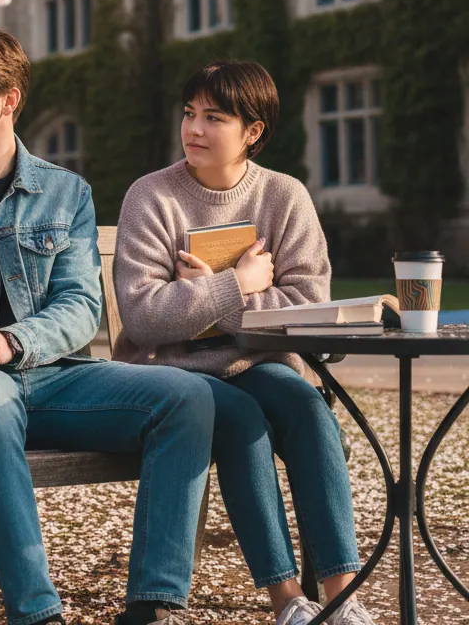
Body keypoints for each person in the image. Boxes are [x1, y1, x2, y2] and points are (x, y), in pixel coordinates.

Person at [0, 23, 215, 625]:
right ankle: (37, 613)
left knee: (187, 396)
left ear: (8, 100)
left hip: (51, 375)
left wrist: (9, 341)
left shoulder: (66, 193)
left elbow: (81, 305)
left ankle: (153, 605)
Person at [113, 59, 375, 625]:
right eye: (189, 114)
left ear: (252, 132)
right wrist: (244, 283)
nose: (194, 129)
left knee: (308, 409)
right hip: (172, 378)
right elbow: (145, 317)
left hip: (261, 365)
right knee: (240, 420)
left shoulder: (284, 197)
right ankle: (287, 601)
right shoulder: (151, 197)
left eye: (214, 117)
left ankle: (342, 596)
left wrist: (216, 297)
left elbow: (308, 306)